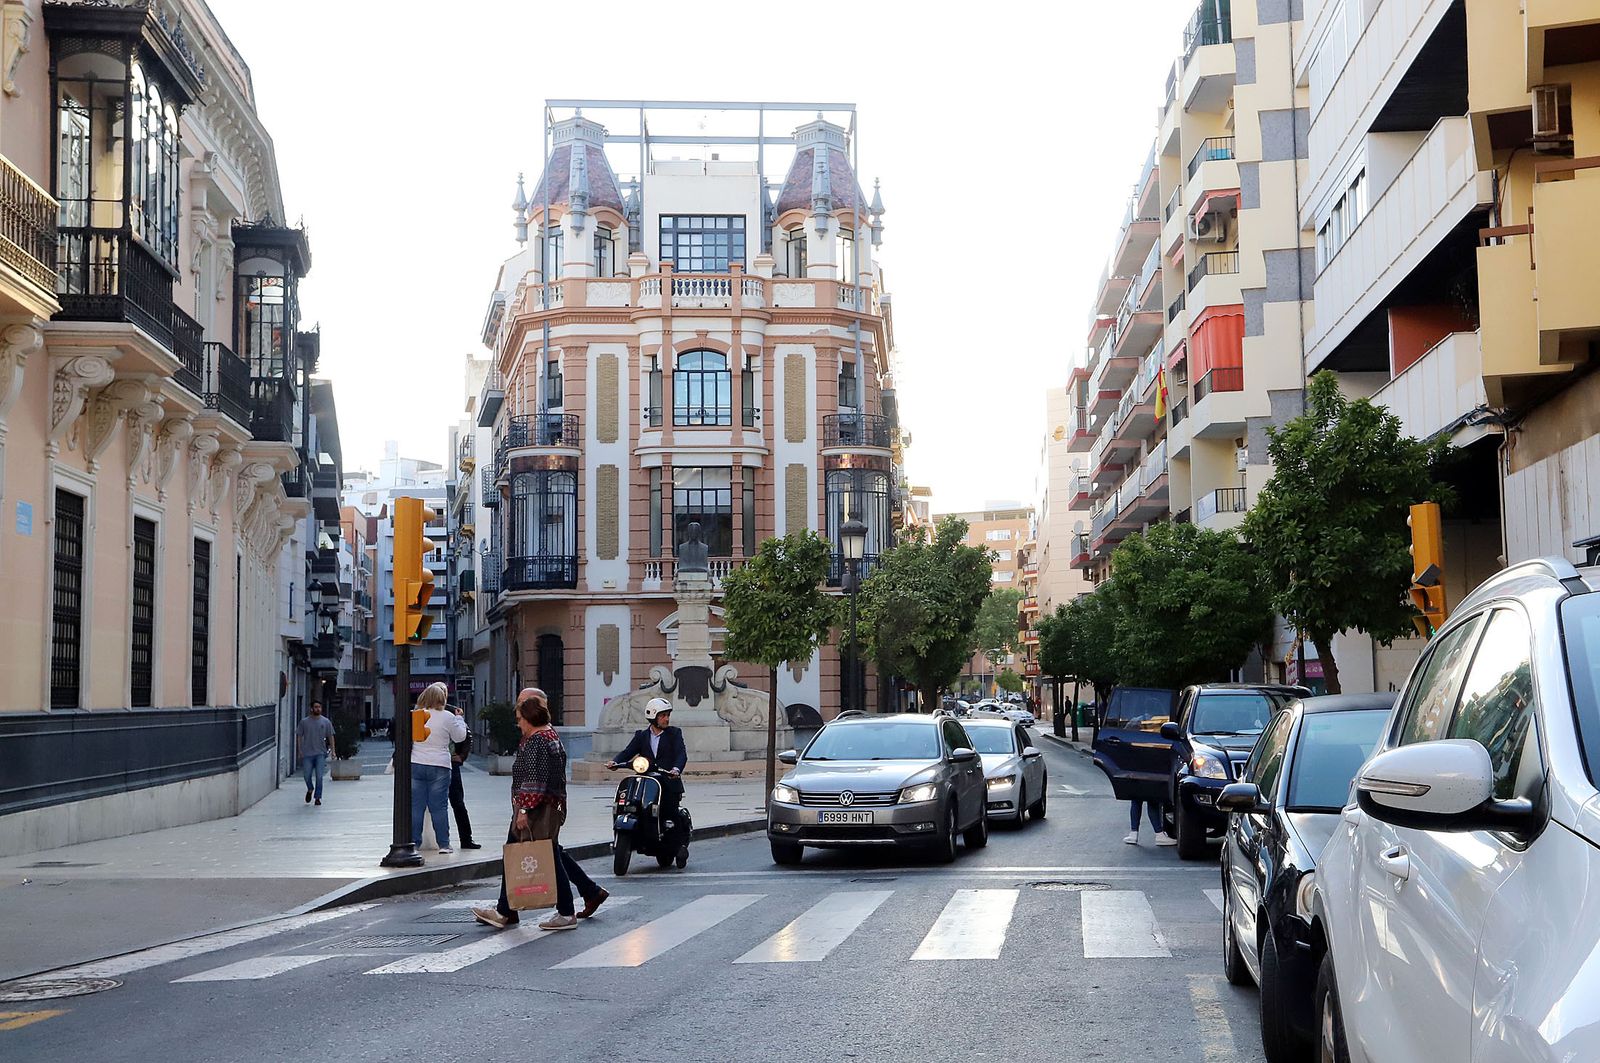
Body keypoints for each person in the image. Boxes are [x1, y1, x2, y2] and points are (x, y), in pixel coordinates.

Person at [474, 689, 608, 931]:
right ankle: (508, 909)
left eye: (519, 718)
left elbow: (535, 779)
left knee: (544, 855)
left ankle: (563, 912)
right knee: (542, 852)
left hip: (537, 809)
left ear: (529, 716)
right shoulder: (549, 736)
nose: (518, 724)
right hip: (549, 806)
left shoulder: (537, 741)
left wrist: (523, 810)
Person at [608, 698, 688, 852]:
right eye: (663, 715)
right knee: (632, 802)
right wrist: (615, 762)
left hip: (668, 780)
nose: (666, 719)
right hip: (646, 780)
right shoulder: (641, 736)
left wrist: (676, 769)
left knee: (671, 811)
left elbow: (681, 754)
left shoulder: (674, 733)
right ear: (653, 717)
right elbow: (628, 752)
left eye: (667, 715)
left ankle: (679, 846)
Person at [411, 683, 468, 854]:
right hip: (440, 765)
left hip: (417, 762)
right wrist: (459, 719)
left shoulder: (417, 715)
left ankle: (414, 842)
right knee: (439, 807)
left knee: (416, 806)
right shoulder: (448, 717)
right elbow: (459, 737)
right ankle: (444, 844)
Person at [447, 704, 480, 850]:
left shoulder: (450, 711)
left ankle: (465, 839)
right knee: (451, 804)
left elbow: (466, 735)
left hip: (450, 763)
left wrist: (461, 756)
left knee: (457, 802)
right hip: (440, 763)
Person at [296, 700, 335, 806]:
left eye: (319, 707)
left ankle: (318, 797)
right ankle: (310, 788)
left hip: (320, 753)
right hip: (307, 753)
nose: (318, 709)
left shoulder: (326, 722)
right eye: (316, 707)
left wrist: (333, 751)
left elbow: (330, 736)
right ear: (311, 708)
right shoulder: (304, 722)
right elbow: (299, 736)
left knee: (319, 776)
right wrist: (300, 750)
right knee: (306, 775)